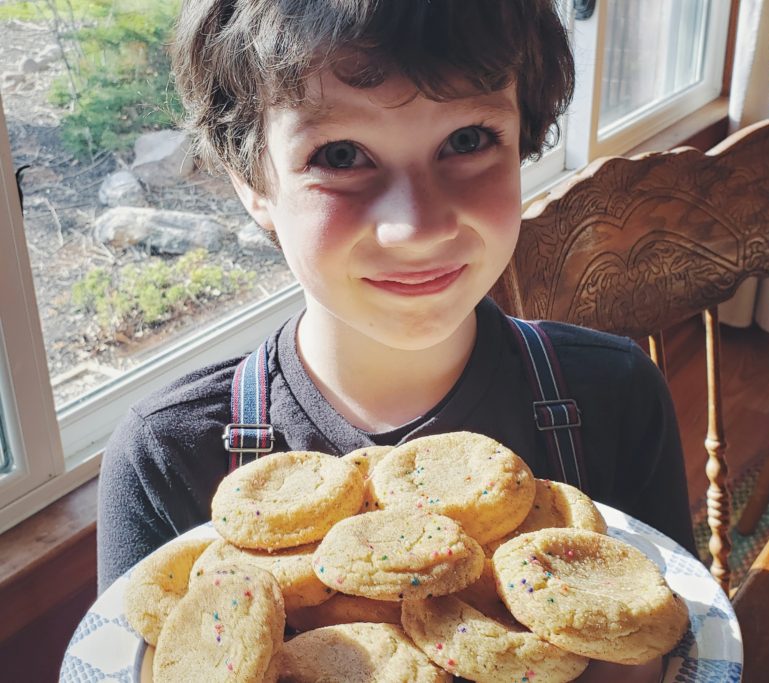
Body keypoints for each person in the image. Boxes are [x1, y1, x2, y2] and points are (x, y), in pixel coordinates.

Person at [98, 2, 696, 674]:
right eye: (342, 155)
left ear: (524, 134)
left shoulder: (614, 397)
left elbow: (674, 644)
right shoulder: (166, 458)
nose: (417, 225)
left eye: (468, 139)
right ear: (252, 182)